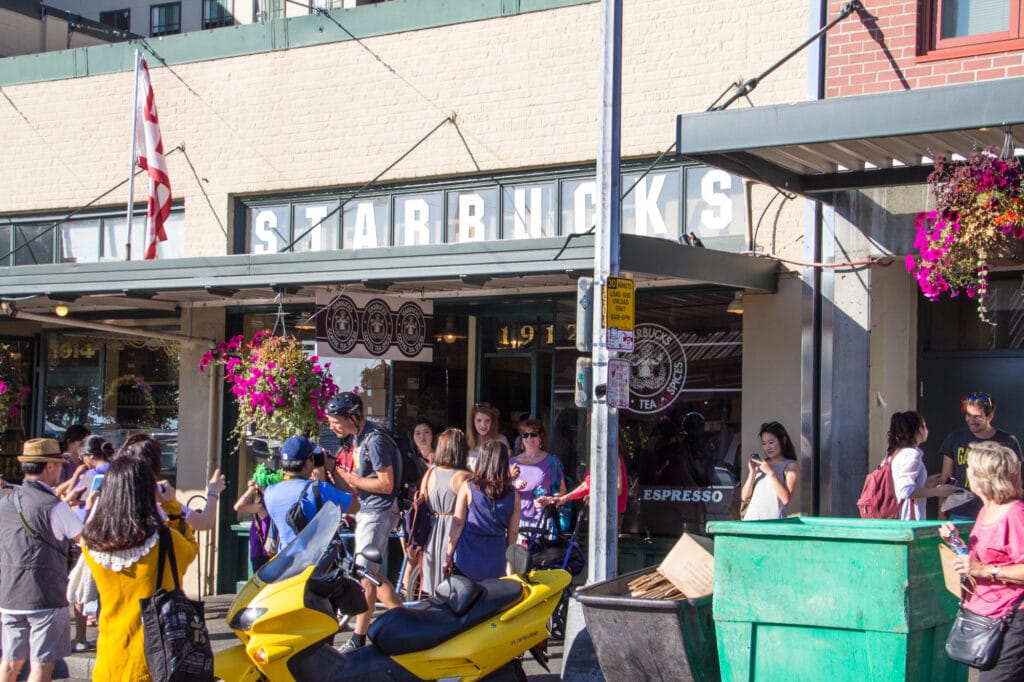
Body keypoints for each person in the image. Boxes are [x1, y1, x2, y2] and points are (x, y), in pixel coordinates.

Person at [81, 455, 197, 682]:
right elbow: (191, 550)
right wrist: (172, 507)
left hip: (109, 658)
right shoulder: (164, 540)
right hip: (156, 659)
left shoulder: (90, 543)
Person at [0, 439, 85, 682]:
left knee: (10, 661)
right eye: (58, 465)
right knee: (41, 664)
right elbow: (85, 541)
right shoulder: (54, 507)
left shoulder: (5, 502)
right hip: (45, 594)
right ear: (49, 467)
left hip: (9, 594)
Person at [940, 441, 1024, 680]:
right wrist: (956, 543)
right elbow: (980, 560)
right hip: (984, 619)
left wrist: (985, 570)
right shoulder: (987, 509)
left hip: (1010, 622)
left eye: (970, 468)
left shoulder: (1015, 514)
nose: (966, 472)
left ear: (983, 477)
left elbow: (985, 566)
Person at [328, 392, 402, 653]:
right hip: (368, 509)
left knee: (365, 574)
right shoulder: (359, 438)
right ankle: (403, 616)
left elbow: (386, 484)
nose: (331, 426)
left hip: (379, 510)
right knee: (368, 572)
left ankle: (358, 637)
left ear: (353, 417)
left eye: (336, 420)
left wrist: (352, 480)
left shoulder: (375, 440)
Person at [114, 434, 225, 533]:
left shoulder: (110, 493)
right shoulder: (159, 493)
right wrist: (213, 491)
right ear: (156, 464)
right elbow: (204, 523)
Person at [444, 440, 521, 581]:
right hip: (496, 556)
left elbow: (458, 523)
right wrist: (511, 564)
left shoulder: (468, 487)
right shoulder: (514, 495)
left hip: (467, 555)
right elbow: (513, 532)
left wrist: (448, 555)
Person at [939, 392, 1023, 521]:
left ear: (990, 416)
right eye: (968, 415)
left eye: (977, 417)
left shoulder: (1007, 441)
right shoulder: (955, 438)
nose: (970, 421)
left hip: (997, 511)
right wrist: (941, 514)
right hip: (961, 512)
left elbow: (1016, 480)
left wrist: (1014, 512)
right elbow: (945, 479)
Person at [263, 436, 353, 548]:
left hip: (287, 561)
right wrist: (332, 470)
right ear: (308, 461)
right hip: (315, 561)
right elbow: (354, 505)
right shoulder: (319, 489)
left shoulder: (269, 492)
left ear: (282, 463)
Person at [68, 434, 112, 652]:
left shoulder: (91, 475)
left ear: (87, 456)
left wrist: (77, 475)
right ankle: (106, 633)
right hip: (112, 536)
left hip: (88, 535)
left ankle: (81, 636)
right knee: (106, 589)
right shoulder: (119, 472)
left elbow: (71, 497)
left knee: (81, 588)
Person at [419, 428, 472, 596]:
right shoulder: (466, 476)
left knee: (434, 589)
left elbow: (422, 500)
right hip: (456, 531)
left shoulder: (429, 474)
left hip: (432, 531)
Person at [887, 411, 957, 520]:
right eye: (924, 426)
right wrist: (938, 491)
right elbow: (905, 491)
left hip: (897, 518)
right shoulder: (911, 455)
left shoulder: (897, 453)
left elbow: (902, 484)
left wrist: (926, 483)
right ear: (920, 429)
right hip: (908, 521)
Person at [510, 418, 566, 531]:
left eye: (533, 434)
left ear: (541, 437)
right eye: (525, 435)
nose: (529, 438)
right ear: (521, 439)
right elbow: (501, 491)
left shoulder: (552, 461)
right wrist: (513, 486)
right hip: (517, 521)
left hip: (543, 521)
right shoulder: (511, 462)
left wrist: (548, 500)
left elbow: (562, 491)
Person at [740, 421, 800, 520]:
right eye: (764, 444)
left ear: (783, 440)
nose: (768, 447)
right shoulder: (762, 464)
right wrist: (752, 473)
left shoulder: (791, 466)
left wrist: (770, 473)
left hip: (773, 523)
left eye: (771, 442)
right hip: (751, 520)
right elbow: (744, 497)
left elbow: (785, 499)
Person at [233, 464, 281, 573]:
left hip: (261, 553)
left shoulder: (262, 507)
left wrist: (250, 490)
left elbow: (238, 507)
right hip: (271, 552)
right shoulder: (276, 504)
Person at [466, 403, 510, 471]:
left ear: (492, 423)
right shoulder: (465, 443)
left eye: (487, 420)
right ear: (473, 422)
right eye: (479, 420)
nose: (483, 425)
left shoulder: (501, 441)